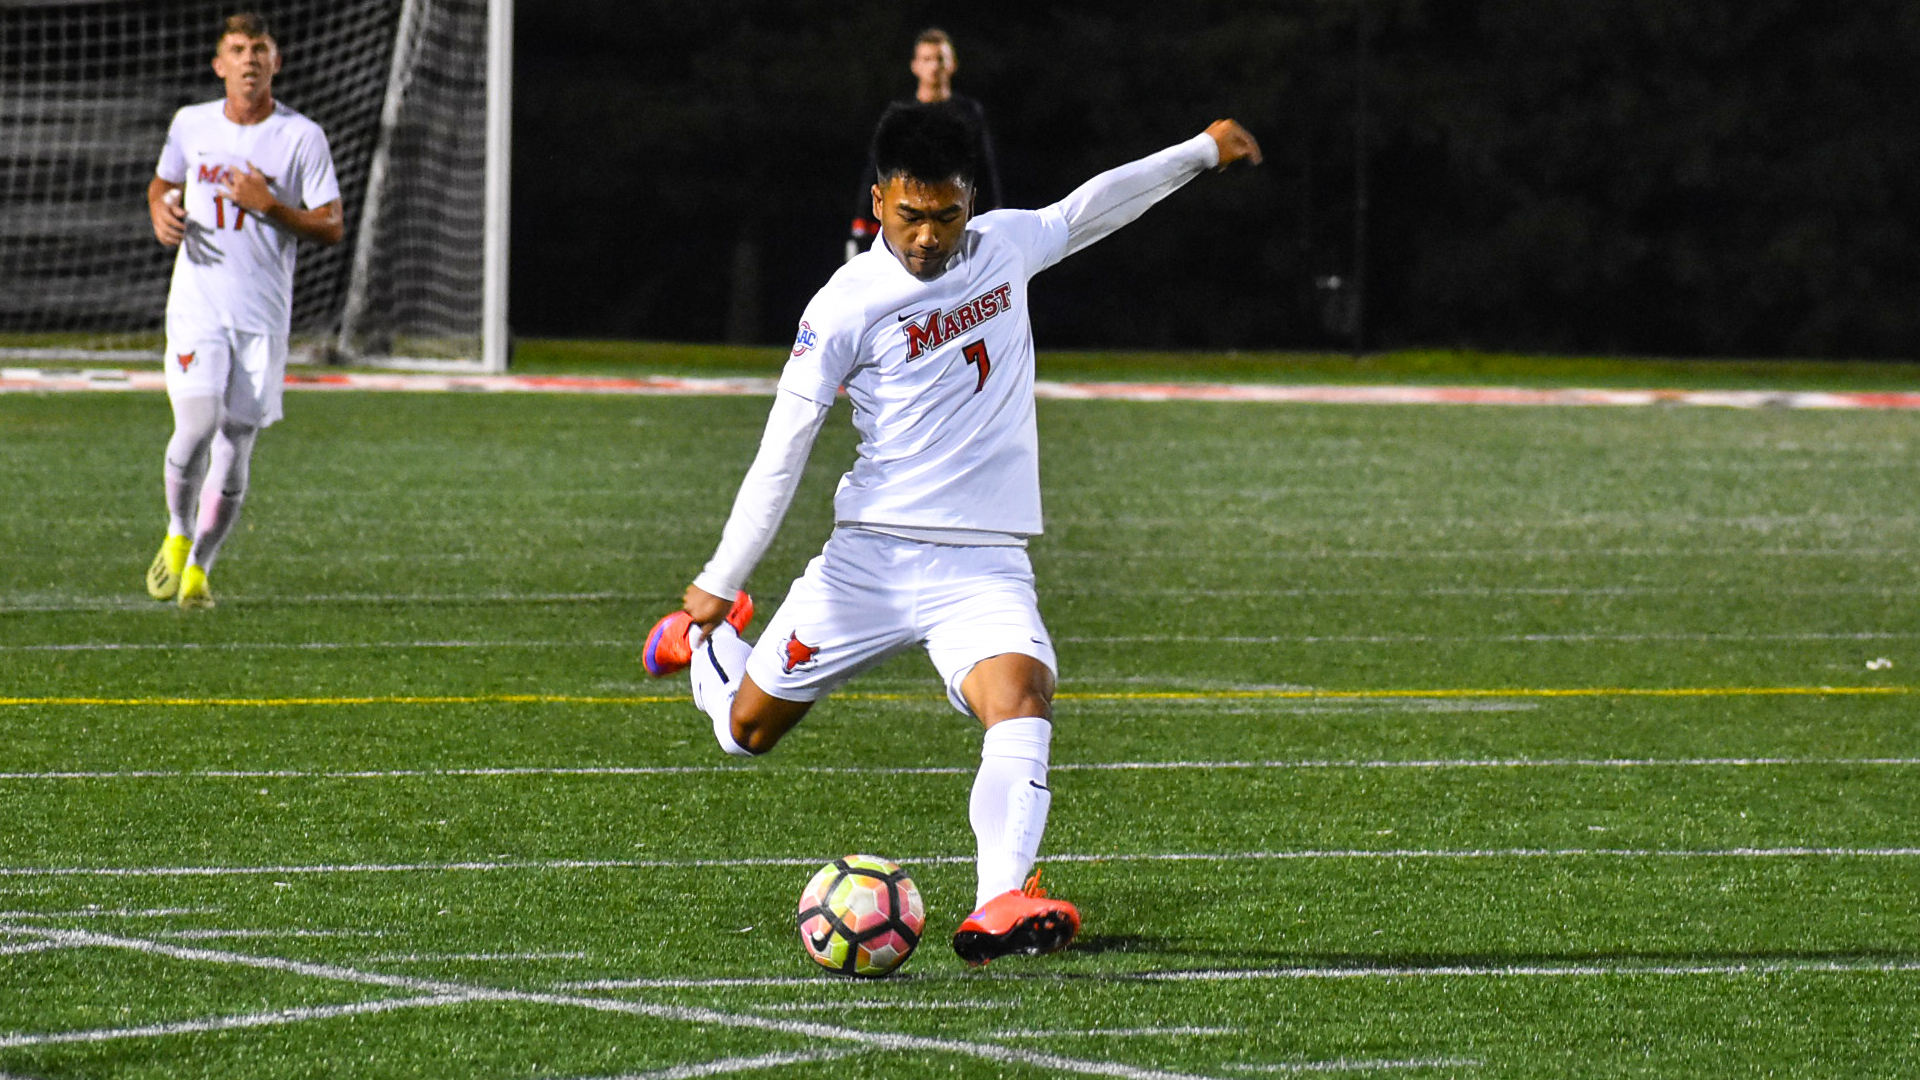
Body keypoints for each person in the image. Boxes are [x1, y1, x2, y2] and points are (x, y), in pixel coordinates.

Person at [642, 101, 1262, 966]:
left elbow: (1097, 204)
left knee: (1023, 697)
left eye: (945, 214)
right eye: (908, 215)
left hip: (983, 562)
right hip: (871, 562)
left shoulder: (1004, 245)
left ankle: (999, 899)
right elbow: (782, 451)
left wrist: (1200, 151)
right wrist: (720, 575)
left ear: (968, 199)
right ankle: (706, 644)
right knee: (747, 731)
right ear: (879, 199)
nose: (929, 236)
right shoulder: (845, 304)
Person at [144, 12, 343, 609]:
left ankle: (200, 570)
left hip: (261, 318)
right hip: (197, 306)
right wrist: (160, 211)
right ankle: (178, 533)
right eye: (238, 49)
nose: (250, 58)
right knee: (197, 427)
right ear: (219, 65)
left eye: (260, 48)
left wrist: (270, 205)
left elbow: (331, 225)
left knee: (234, 446)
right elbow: (162, 186)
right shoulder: (191, 124)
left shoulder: (300, 137)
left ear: (275, 62)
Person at [846, 29, 1001, 261]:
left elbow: (984, 170)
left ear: (952, 64)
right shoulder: (900, 112)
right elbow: (878, 167)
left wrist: (994, 218)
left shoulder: (969, 113)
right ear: (915, 65)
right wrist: (862, 221)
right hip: (911, 217)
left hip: (953, 217)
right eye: (927, 59)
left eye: (940, 59)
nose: (934, 66)